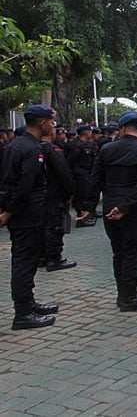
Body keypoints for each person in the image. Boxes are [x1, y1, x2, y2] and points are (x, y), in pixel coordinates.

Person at [79, 111, 137, 312]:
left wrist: (88, 208)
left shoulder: (106, 150)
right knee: (133, 253)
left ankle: (125, 292)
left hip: (109, 207)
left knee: (118, 252)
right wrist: (125, 207)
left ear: (122, 129)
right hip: (132, 209)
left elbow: (95, 180)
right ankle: (128, 297)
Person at [0, 105, 60, 329]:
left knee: (27, 260)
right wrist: (9, 211)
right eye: (50, 122)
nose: (53, 126)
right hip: (26, 213)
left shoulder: (17, 144)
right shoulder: (31, 148)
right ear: (42, 123)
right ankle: (23, 313)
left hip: (24, 211)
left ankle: (28, 303)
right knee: (24, 262)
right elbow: (24, 185)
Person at [41, 128, 77, 272]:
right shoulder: (52, 150)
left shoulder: (29, 148)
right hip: (54, 194)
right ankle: (54, 258)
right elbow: (64, 173)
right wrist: (70, 192)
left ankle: (42, 256)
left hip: (38, 196)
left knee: (42, 226)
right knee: (55, 226)